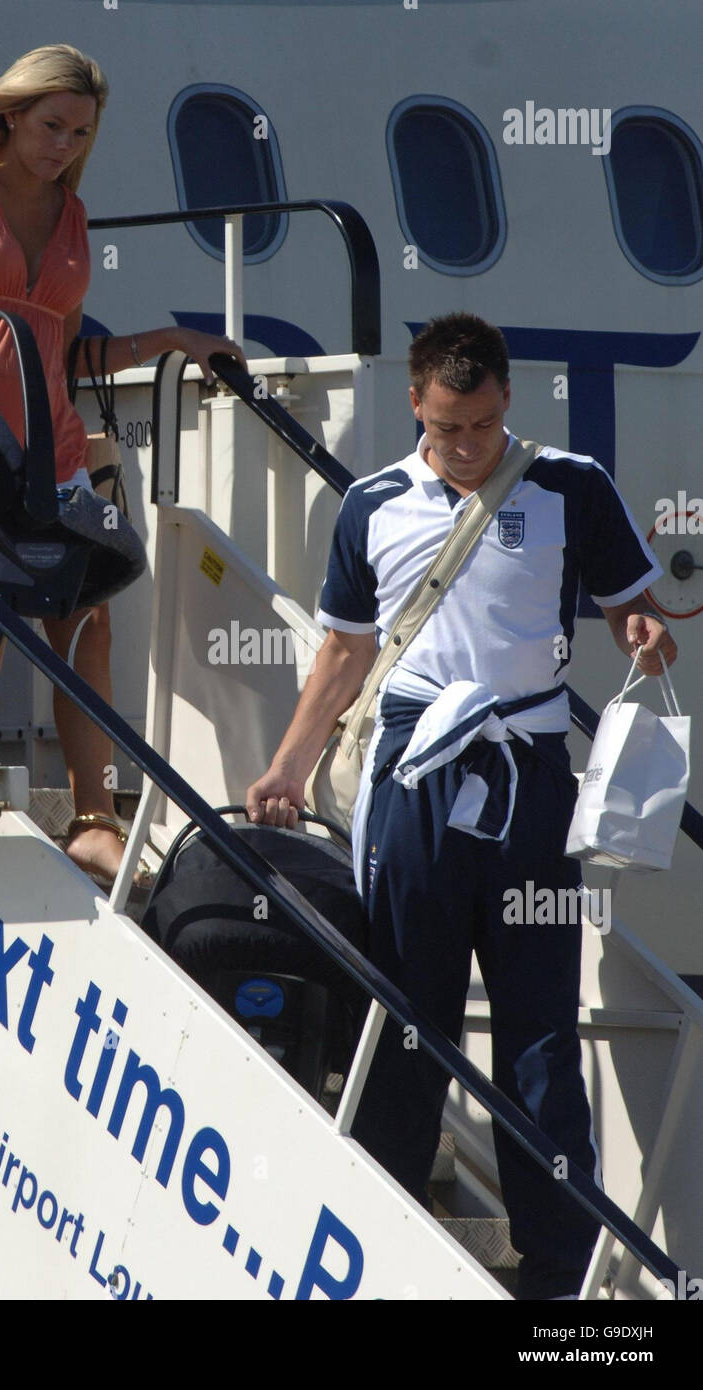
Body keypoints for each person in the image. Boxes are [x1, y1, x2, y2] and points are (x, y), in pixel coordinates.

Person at [246, 312, 678, 1300]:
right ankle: (384, 1243)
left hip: (531, 782)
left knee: (540, 1032)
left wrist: (646, 634)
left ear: (507, 400)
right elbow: (343, 653)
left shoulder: (571, 484)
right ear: (414, 405)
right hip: (413, 781)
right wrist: (285, 767)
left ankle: (557, 1274)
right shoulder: (370, 504)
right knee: (405, 1015)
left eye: (483, 424)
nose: (468, 446)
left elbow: (632, 611)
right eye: (447, 427)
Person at [0, 43, 246, 886]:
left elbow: (61, 352)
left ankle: (93, 820)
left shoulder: (71, 212)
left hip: (50, 447)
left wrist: (173, 339)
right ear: (13, 113)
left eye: (80, 133)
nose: (63, 145)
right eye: (51, 125)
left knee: (88, 619)